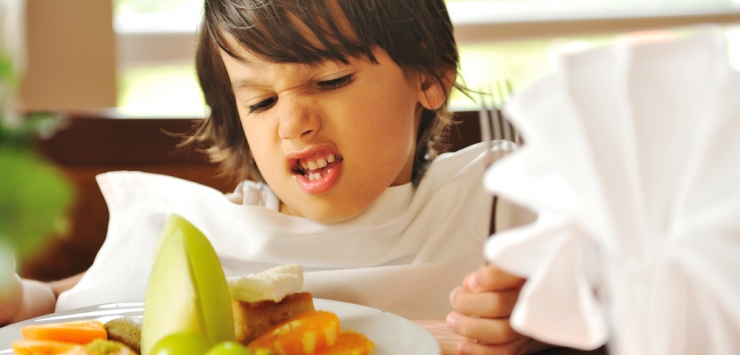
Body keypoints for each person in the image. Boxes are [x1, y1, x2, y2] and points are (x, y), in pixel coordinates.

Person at [1, 1, 541, 353]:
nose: (294, 123)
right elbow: (89, 300)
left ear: (429, 78)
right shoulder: (220, 227)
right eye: (260, 101)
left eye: (330, 81)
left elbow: (598, 298)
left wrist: (535, 325)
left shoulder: (491, 203)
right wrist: (27, 298)